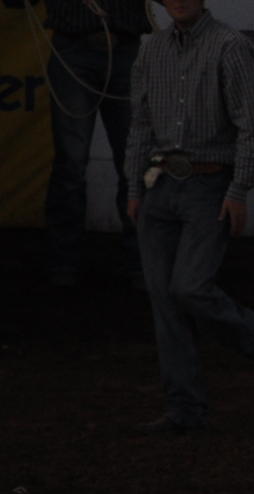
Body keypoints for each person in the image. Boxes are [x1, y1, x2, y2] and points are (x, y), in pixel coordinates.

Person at [124, 0, 254, 436]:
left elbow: (250, 124)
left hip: (207, 184)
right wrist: (136, 186)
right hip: (162, 183)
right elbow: (140, 121)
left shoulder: (229, 46)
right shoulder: (151, 49)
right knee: (165, 300)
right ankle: (185, 410)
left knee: (189, 288)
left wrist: (238, 190)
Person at [41, 0, 151, 289]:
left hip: (123, 51)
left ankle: (140, 260)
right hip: (76, 50)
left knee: (132, 162)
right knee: (71, 163)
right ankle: (63, 260)